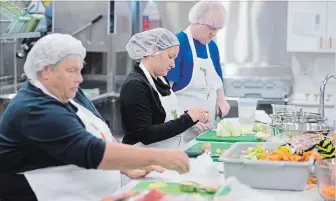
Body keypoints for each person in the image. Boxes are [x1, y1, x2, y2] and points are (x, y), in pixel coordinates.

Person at [0, 33, 190, 201]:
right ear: (46, 71)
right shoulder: (34, 110)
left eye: (80, 70)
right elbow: (89, 149)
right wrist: (157, 156)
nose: (80, 78)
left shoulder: (69, 93)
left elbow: (95, 137)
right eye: (71, 71)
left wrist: (122, 166)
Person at [120, 28, 211, 148]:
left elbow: (162, 118)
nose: (173, 64)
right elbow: (145, 135)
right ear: (153, 51)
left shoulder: (161, 79)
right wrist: (187, 119)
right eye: (170, 57)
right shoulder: (135, 85)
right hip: (143, 160)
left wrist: (193, 116)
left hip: (166, 155)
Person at [167, 1, 231, 143]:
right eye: (211, 28)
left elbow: (217, 79)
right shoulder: (177, 44)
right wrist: (187, 119)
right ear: (196, 21)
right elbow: (165, 93)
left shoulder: (212, 47)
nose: (214, 33)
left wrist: (221, 98)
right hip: (181, 131)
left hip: (208, 129)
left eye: (218, 29)